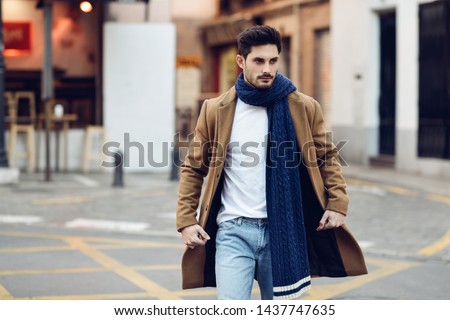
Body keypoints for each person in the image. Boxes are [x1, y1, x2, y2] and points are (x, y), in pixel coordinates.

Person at [176, 25, 367, 300]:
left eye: (273, 60)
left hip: (283, 231)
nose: (267, 68)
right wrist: (186, 220)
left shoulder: (303, 106)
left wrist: (338, 203)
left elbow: (326, 156)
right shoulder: (216, 110)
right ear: (241, 62)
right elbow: (194, 168)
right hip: (233, 229)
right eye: (259, 61)